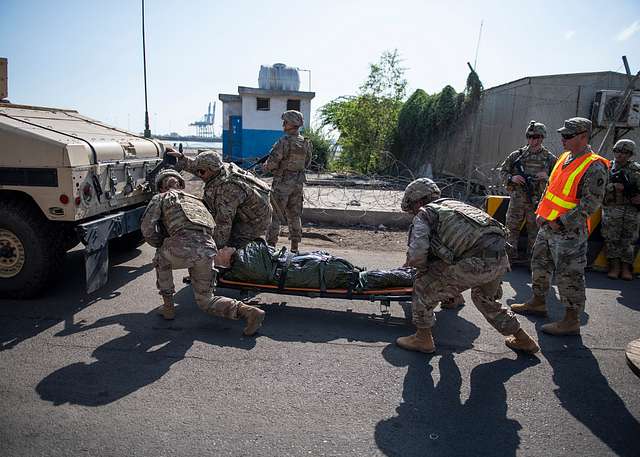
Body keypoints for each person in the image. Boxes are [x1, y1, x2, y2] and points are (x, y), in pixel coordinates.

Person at [395, 178, 539, 354]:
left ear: (417, 201)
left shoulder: (425, 214)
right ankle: (523, 339)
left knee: (423, 286)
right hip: (499, 257)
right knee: (484, 299)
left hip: (475, 262)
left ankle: (422, 338)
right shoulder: (456, 205)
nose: (413, 213)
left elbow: (417, 256)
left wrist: (415, 269)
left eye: (411, 209)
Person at [511, 118, 609, 336]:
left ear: (584, 137)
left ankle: (571, 320)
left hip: (569, 232)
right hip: (547, 225)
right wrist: (541, 214)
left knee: (569, 275)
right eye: (563, 135)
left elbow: (590, 204)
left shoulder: (594, 165)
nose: (563, 139)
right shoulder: (565, 157)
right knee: (539, 264)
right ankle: (537, 302)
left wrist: (560, 222)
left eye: (568, 136)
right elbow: (551, 188)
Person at [140, 169, 265, 335]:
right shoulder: (197, 201)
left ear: (161, 188)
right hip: (207, 248)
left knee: (161, 259)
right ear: (181, 185)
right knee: (206, 300)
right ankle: (247, 311)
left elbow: (147, 228)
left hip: (182, 246)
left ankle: (168, 307)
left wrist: (160, 244)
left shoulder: (161, 198)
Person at [167, 148, 272, 249]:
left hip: (254, 220)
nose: (198, 174)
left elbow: (223, 224)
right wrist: (182, 158)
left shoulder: (227, 190)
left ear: (212, 170)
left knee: (234, 247)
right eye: (198, 171)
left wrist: (215, 249)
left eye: (201, 172)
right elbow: (198, 167)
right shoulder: (218, 167)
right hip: (245, 210)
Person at [499, 121, 557, 264]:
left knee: (535, 233)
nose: (532, 140)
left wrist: (547, 177)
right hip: (517, 200)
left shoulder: (550, 159)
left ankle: (533, 262)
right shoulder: (517, 155)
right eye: (529, 136)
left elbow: (560, 182)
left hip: (537, 201)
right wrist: (512, 177)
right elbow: (502, 171)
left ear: (542, 137)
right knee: (511, 230)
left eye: (536, 137)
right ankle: (508, 260)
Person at [264, 110, 313, 253]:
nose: (283, 124)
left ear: (292, 124)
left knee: (275, 215)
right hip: (298, 184)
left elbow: (272, 163)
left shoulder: (283, 142)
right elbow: (307, 163)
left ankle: (271, 247)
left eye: (285, 121)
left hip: (282, 183)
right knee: (294, 215)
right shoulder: (305, 143)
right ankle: (295, 248)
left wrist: (266, 166)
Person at [602, 139, 640, 281]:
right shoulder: (606, 167)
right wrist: (614, 187)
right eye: (617, 151)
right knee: (611, 238)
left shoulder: (637, 170)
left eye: (625, 152)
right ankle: (614, 267)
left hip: (631, 210)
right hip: (612, 208)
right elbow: (597, 188)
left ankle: (626, 268)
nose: (620, 155)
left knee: (629, 239)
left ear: (630, 154)